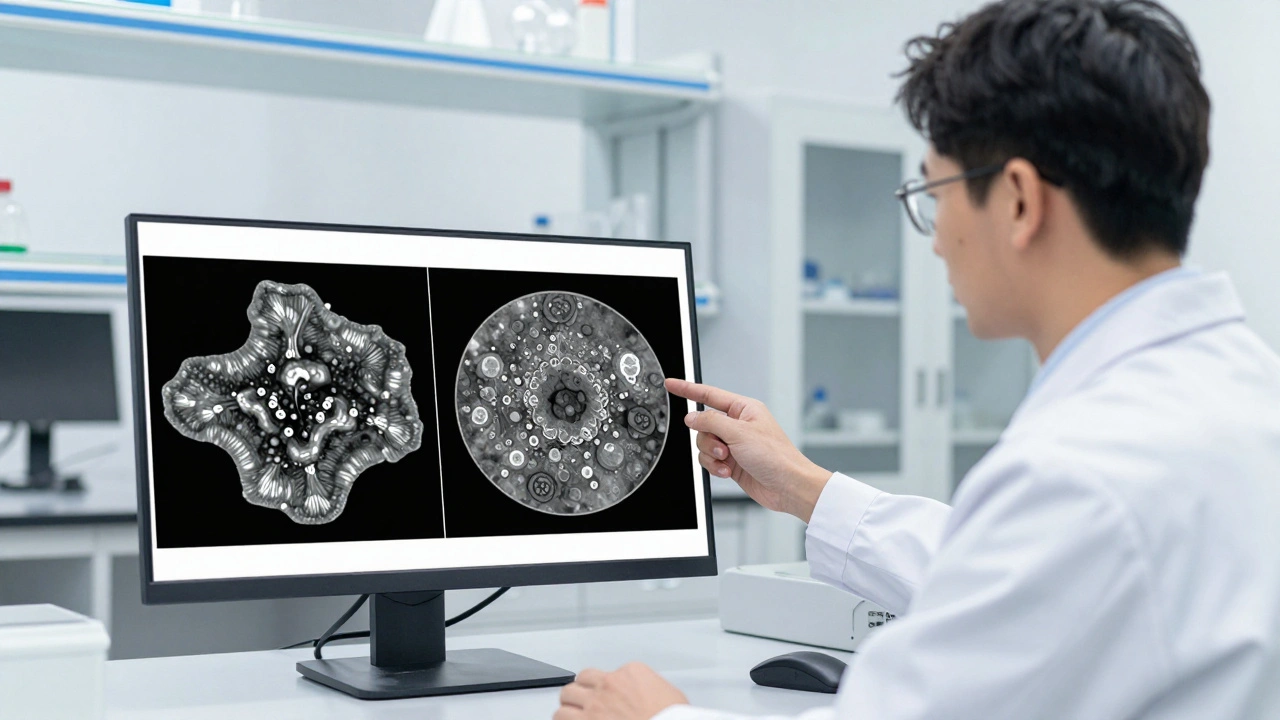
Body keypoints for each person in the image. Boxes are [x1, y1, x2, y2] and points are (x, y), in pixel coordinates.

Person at [553, 1, 1280, 718]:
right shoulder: (1238, 392)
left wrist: (658, 719)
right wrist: (806, 487)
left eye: (936, 193)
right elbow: (1015, 587)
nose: (933, 240)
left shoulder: (1083, 471)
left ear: (1020, 201)